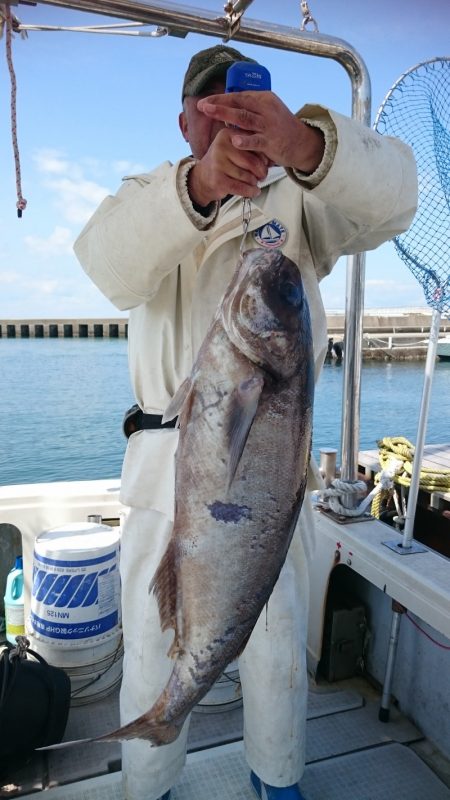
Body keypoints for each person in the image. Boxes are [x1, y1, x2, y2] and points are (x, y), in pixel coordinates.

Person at [74, 44, 417, 800]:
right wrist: (197, 189)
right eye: (212, 104)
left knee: (275, 643)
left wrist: (309, 146)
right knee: (155, 654)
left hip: (269, 462)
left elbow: (398, 196)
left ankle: (279, 780)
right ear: (184, 119)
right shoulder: (149, 196)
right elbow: (105, 265)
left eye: (245, 102)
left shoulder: (303, 198)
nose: (230, 118)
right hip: (167, 466)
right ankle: (150, 781)